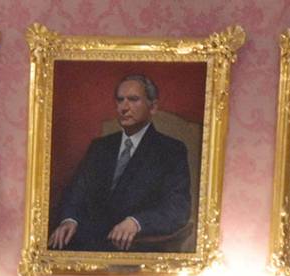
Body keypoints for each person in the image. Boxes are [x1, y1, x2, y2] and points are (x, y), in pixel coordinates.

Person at [49, 75, 192, 252]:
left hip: (137, 244)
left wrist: (136, 222)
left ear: (153, 107)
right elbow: (76, 192)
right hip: (87, 242)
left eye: (133, 100)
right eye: (120, 100)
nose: (124, 107)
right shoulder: (100, 147)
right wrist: (69, 220)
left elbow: (178, 210)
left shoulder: (171, 150)